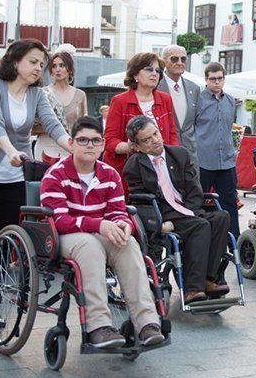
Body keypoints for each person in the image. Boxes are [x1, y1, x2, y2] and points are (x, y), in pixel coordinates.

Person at [0, 39, 70, 328]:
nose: (38, 68)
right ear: (16, 60)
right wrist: (10, 151)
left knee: (4, 247)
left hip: (12, 183)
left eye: (41, 64)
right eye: (33, 61)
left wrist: (75, 146)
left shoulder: (36, 94)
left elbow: (52, 123)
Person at [40, 117, 164, 347]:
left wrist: (123, 225)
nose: (90, 145)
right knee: (90, 248)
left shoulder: (109, 175)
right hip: (66, 234)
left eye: (95, 141)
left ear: (102, 144)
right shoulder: (55, 175)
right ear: (71, 143)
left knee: (128, 244)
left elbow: (117, 211)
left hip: (99, 231)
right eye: (83, 140)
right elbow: (60, 220)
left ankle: (147, 322)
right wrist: (98, 225)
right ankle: (99, 326)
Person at [124, 115, 231, 305]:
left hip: (187, 210)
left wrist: (190, 212)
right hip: (162, 214)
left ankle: (208, 278)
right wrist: (165, 222)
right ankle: (192, 289)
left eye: (155, 134)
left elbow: (194, 189)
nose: (154, 141)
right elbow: (140, 201)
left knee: (221, 217)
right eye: (146, 140)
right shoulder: (133, 166)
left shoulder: (180, 154)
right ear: (137, 146)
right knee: (200, 226)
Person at [103, 52, 178, 195]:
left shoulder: (165, 99)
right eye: (149, 69)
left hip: (161, 169)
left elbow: (172, 135)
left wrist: (174, 159)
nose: (154, 74)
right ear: (135, 74)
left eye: (158, 71)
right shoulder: (120, 101)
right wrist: (136, 147)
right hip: (129, 172)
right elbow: (110, 141)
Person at [194, 61, 240, 237]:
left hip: (226, 161)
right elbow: (191, 126)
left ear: (224, 79)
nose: (216, 82)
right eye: (212, 79)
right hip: (203, 159)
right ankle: (203, 237)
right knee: (201, 202)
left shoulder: (230, 101)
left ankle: (234, 241)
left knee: (230, 202)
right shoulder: (198, 100)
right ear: (206, 80)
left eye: (219, 78)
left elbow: (230, 126)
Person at [34, 45, 87, 162]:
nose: (57, 69)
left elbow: (84, 125)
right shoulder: (42, 93)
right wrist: (53, 127)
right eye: (54, 66)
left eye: (62, 65)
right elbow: (31, 128)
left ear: (70, 69)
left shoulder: (80, 95)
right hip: (46, 145)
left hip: (70, 146)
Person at [158, 44, 200, 160]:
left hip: (189, 153)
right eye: (174, 59)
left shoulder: (194, 88)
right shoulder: (155, 87)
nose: (180, 62)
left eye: (183, 59)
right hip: (164, 152)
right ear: (164, 61)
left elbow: (196, 122)